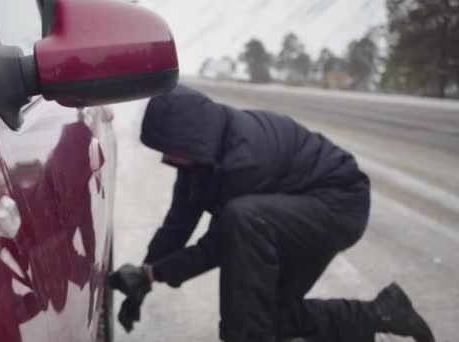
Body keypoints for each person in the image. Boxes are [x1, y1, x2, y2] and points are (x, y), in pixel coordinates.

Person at [108, 85, 435, 342]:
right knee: (274, 317)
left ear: (191, 136)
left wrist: (155, 274)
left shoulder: (245, 159)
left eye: (168, 147)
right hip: (294, 209)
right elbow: (178, 222)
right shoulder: (203, 158)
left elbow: (219, 246)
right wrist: (144, 273)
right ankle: (384, 313)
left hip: (337, 206)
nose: (165, 156)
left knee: (243, 220)